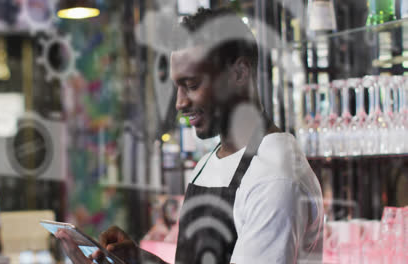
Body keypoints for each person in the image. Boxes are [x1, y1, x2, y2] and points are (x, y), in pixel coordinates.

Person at [56, 7, 323, 264]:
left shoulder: (273, 176)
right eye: (178, 87)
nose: (180, 103)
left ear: (239, 72)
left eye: (192, 85)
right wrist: (138, 259)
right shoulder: (211, 160)